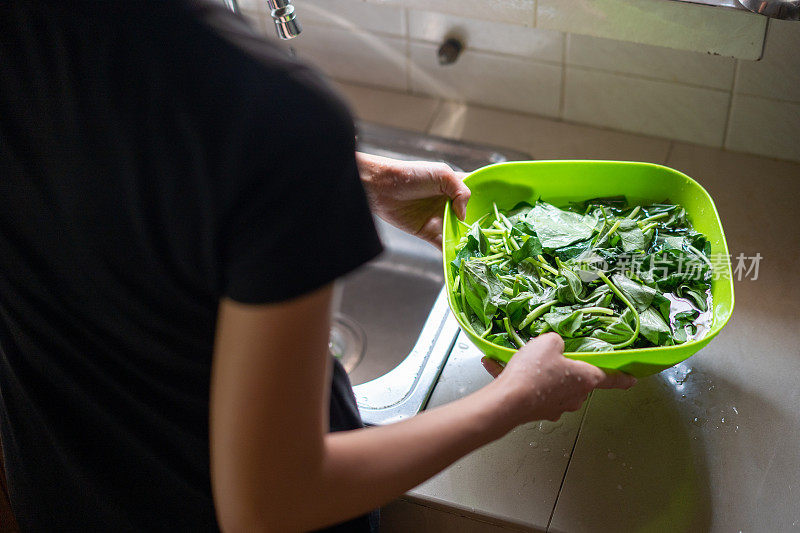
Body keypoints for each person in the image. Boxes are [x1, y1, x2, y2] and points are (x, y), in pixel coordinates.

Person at [0, 1, 636, 531]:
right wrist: (518, 397)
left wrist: (351, 176)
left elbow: (103, 159)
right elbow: (275, 501)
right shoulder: (276, 113)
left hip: (60, 497)